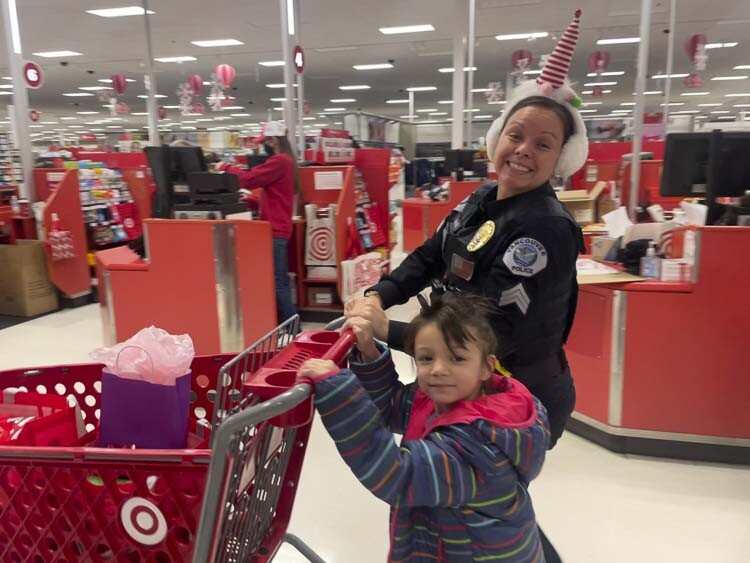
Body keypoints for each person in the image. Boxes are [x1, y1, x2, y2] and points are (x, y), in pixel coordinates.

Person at [347, 9, 587, 452]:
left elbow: (492, 329)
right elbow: (429, 257)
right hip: (460, 379)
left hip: (511, 400)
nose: (523, 151)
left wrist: (390, 332)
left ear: (561, 161)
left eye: (543, 144)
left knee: (478, 510)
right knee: (447, 508)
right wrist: (380, 295)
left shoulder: (546, 230)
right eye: (515, 135)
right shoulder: (481, 198)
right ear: (497, 137)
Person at [298, 295, 549, 562]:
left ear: (487, 367)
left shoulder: (476, 447)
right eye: (427, 358)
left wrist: (338, 391)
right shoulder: (442, 399)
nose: (439, 369)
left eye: (457, 358)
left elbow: (396, 476)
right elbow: (392, 407)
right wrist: (369, 353)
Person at [216, 121, 299, 324]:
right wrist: (248, 201)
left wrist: (226, 167)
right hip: (278, 227)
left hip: (275, 230)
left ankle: (294, 328)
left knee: (278, 282)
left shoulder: (280, 161)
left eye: (266, 141)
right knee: (277, 281)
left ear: (273, 140)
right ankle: (287, 325)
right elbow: (272, 193)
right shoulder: (287, 161)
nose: (265, 146)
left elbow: (249, 179)